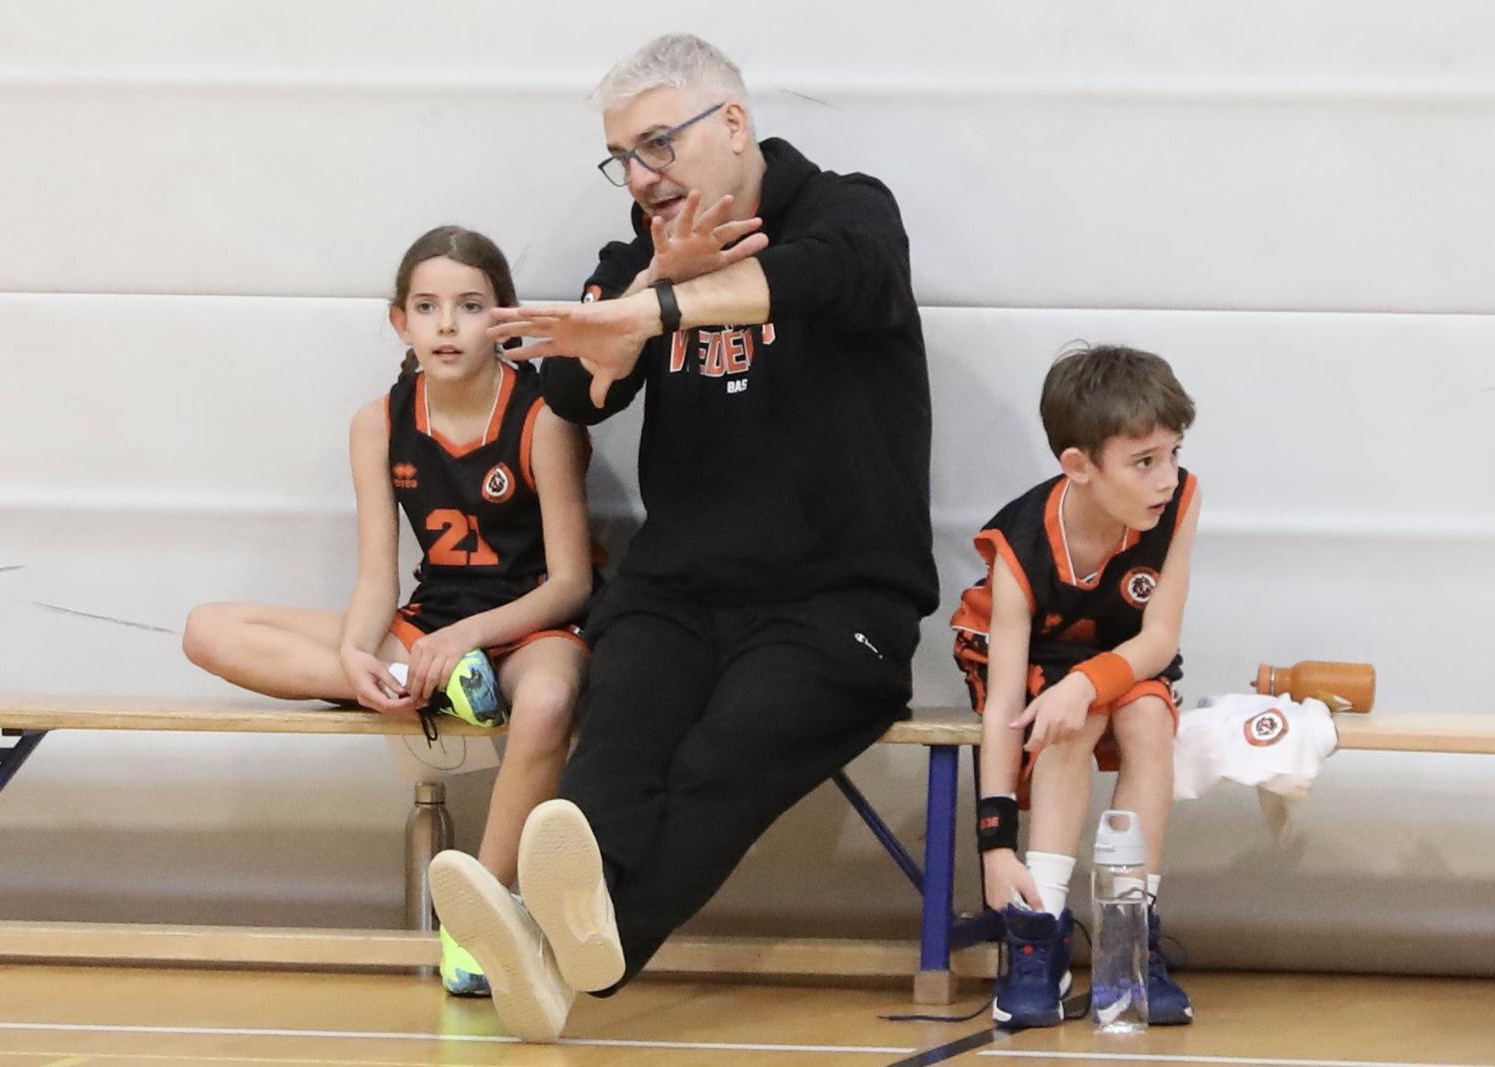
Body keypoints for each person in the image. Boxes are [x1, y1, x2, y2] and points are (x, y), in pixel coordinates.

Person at [425, 33, 938, 1043]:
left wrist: (661, 307)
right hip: (679, 591)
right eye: (622, 156)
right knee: (614, 751)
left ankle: (552, 951)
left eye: (658, 144)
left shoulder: (845, 209)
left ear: (732, 124)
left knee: (717, 761)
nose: (641, 176)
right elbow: (571, 387)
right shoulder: (639, 252)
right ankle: (548, 954)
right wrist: (646, 290)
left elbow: (832, 275)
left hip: (838, 603)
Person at [182, 226, 593, 996]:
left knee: (547, 700)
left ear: (502, 318)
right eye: (427, 306)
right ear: (400, 321)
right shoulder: (378, 421)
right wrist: (356, 655)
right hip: (428, 622)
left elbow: (571, 583)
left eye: (470, 306)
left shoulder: (544, 416)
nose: (447, 324)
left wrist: (468, 636)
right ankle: (429, 683)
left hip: (527, 626)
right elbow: (377, 575)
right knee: (207, 628)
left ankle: (481, 913)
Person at [950, 343, 1200, 1028]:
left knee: (1148, 718)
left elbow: (1159, 639)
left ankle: (1132, 936)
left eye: (1173, 454)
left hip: (1115, 655)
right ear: (1079, 465)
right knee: (1069, 721)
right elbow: (1004, 705)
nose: (1167, 477)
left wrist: (1088, 681)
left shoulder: (1181, 499)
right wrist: (995, 844)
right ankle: (1039, 927)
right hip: (1028, 659)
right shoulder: (1020, 544)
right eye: (1144, 462)